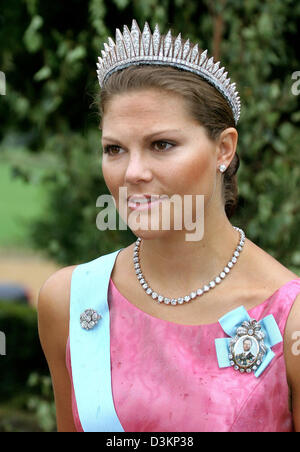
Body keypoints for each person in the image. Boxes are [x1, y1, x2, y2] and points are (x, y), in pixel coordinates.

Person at [37, 19, 300, 432]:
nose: (133, 172)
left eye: (162, 145)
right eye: (115, 149)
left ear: (224, 149)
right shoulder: (69, 301)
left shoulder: (290, 320)